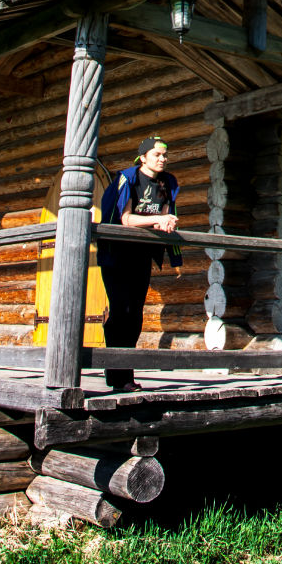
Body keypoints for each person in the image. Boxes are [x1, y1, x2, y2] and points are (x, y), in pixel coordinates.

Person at [97, 136, 182, 391]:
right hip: (116, 255)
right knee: (120, 311)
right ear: (143, 157)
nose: (162, 159)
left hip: (142, 255)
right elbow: (126, 219)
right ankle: (117, 376)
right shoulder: (129, 179)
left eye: (165, 155)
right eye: (157, 154)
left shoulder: (168, 183)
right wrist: (160, 219)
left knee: (135, 313)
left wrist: (168, 222)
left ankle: (126, 376)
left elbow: (167, 214)